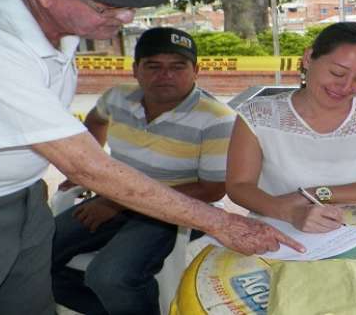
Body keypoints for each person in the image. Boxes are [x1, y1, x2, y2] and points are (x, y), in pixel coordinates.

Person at [0, 0, 300, 315]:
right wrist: (222, 223)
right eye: (106, 7)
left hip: (24, 194)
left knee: (32, 301)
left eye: (131, 4)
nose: (125, 18)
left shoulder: (53, 19)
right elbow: (86, 166)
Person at [52, 27, 234, 314]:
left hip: (177, 212)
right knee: (34, 254)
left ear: (196, 70)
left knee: (111, 276)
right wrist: (84, 170)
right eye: (154, 66)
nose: (166, 75)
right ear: (136, 69)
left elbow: (212, 189)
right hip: (113, 200)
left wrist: (118, 202)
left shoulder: (217, 119)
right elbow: (95, 122)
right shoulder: (117, 98)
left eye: (178, 67)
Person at [226, 22, 356, 232]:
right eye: (337, 73)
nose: (346, 87)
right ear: (308, 58)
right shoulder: (258, 114)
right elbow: (239, 186)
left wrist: (315, 194)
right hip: (278, 229)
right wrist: (289, 212)